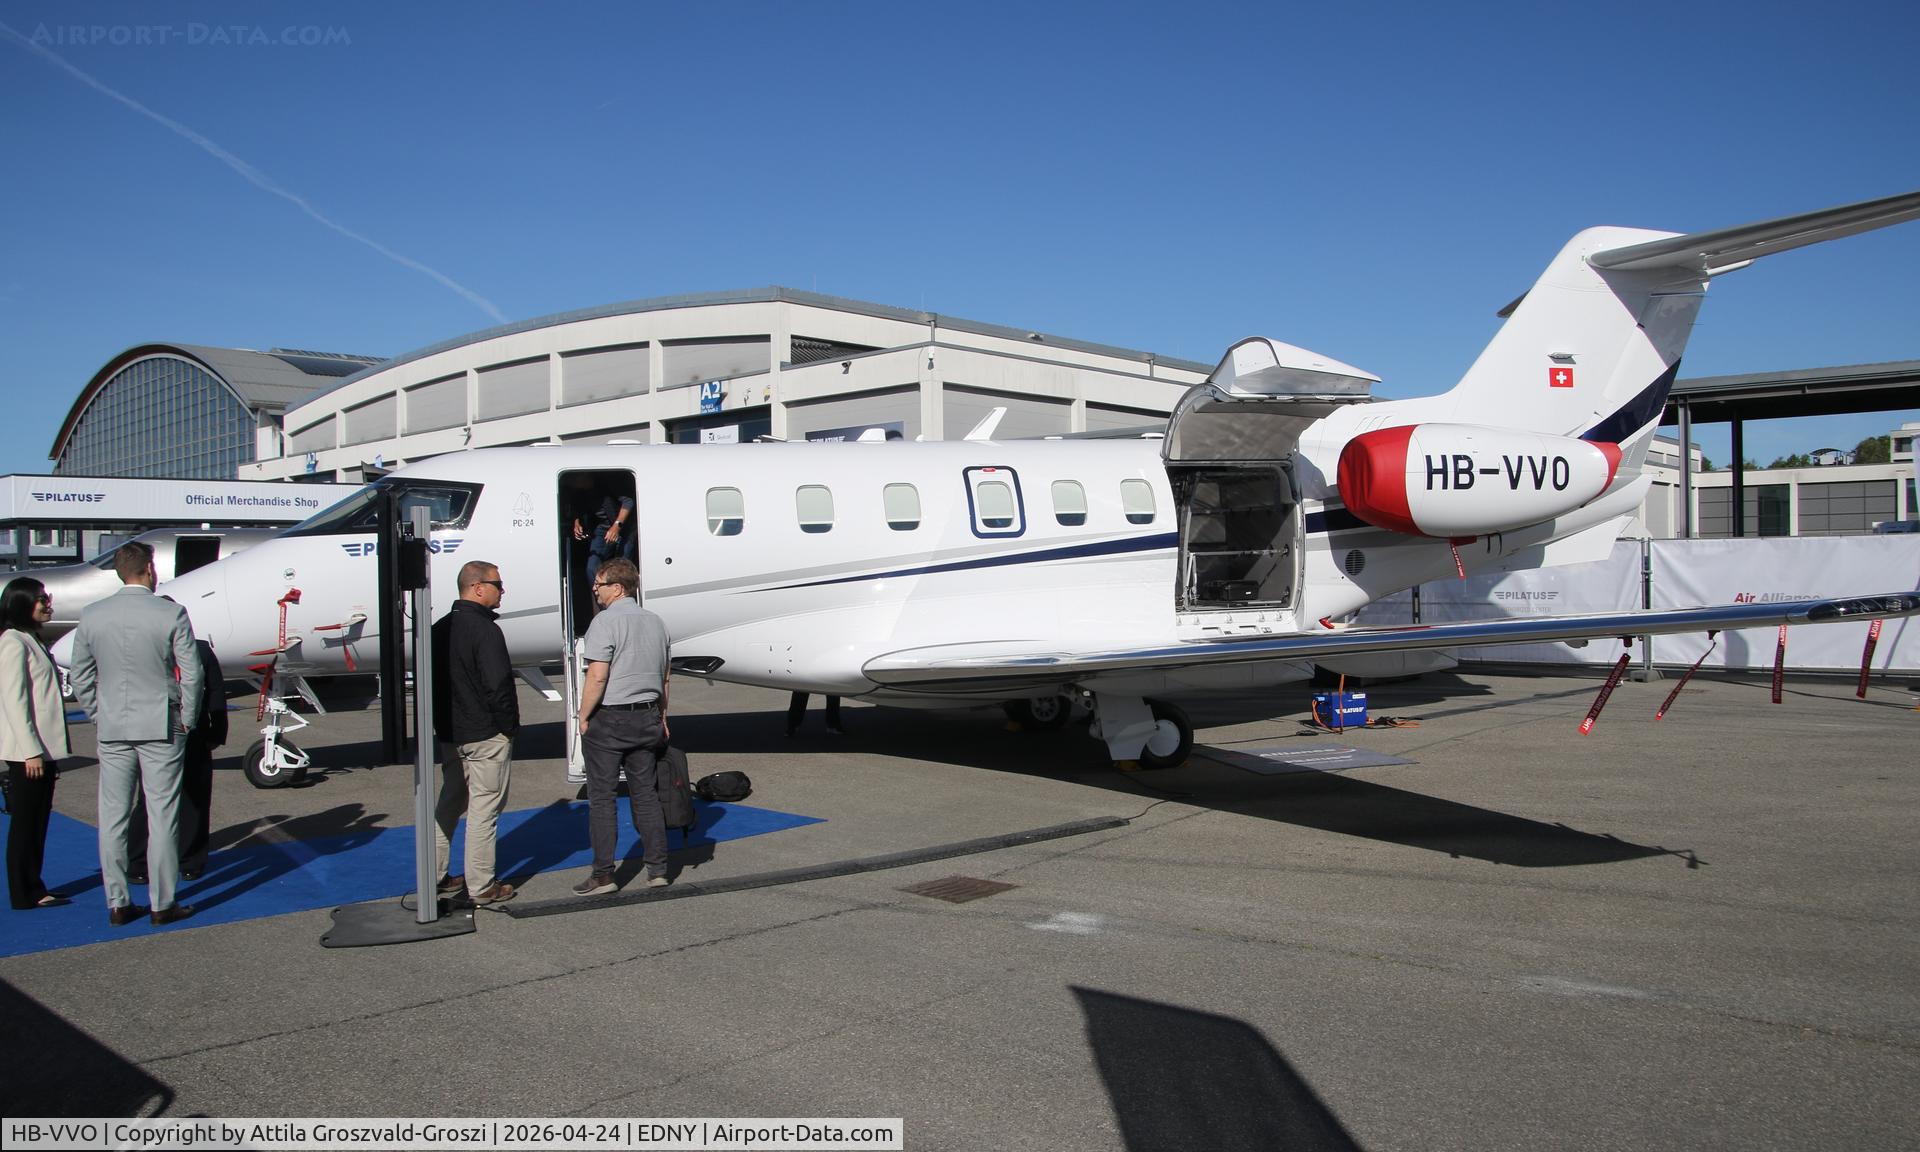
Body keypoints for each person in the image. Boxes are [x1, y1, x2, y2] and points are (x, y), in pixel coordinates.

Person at [69, 541, 203, 927]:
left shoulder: (93, 615)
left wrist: (97, 711)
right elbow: (190, 671)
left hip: (113, 723)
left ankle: (117, 901)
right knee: (162, 814)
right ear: (148, 569)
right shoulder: (170, 612)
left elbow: (81, 673)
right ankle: (163, 902)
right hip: (161, 721)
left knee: (112, 815)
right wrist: (188, 718)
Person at [572, 557, 671, 895]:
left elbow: (598, 675)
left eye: (599, 584)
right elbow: (664, 677)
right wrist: (662, 715)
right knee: (645, 793)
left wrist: (583, 715)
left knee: (602, 798)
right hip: (647, 716)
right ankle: (658, 869)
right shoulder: (656, 622)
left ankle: (603, 875)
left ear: (617, 587)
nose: (595, 591)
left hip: (611, 718)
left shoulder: (604, 622)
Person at [430, 560, 520, 905]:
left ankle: (434, 874)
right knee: (485, 809)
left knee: (450, 803)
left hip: (451, 734)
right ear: (477, 587)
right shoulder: (485, 630)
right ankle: (482, 885)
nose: (502, 589)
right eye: (497, 583)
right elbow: (498, 685)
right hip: (484, 734)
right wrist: (508, 728)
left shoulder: (440, 629)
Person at [128, 630, 226, 882]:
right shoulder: (144, 650)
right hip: (155, 732)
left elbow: (216, 692)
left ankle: (190, 859)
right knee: (149, 798)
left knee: (194, 798)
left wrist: (217, 731)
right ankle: (139, 860)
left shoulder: (201, 651)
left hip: (194, 732)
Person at [1, 577, 71, 909]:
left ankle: (34, 884)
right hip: (28, 752)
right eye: (40, 599)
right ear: (21, 603)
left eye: (46, 597)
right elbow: (14, 701)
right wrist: (31, 751)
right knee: (26, 822)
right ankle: (23, 890)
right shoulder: (13, 642)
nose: (46, 603)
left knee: (39, 819)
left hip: (41, 749)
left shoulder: (32, 638)